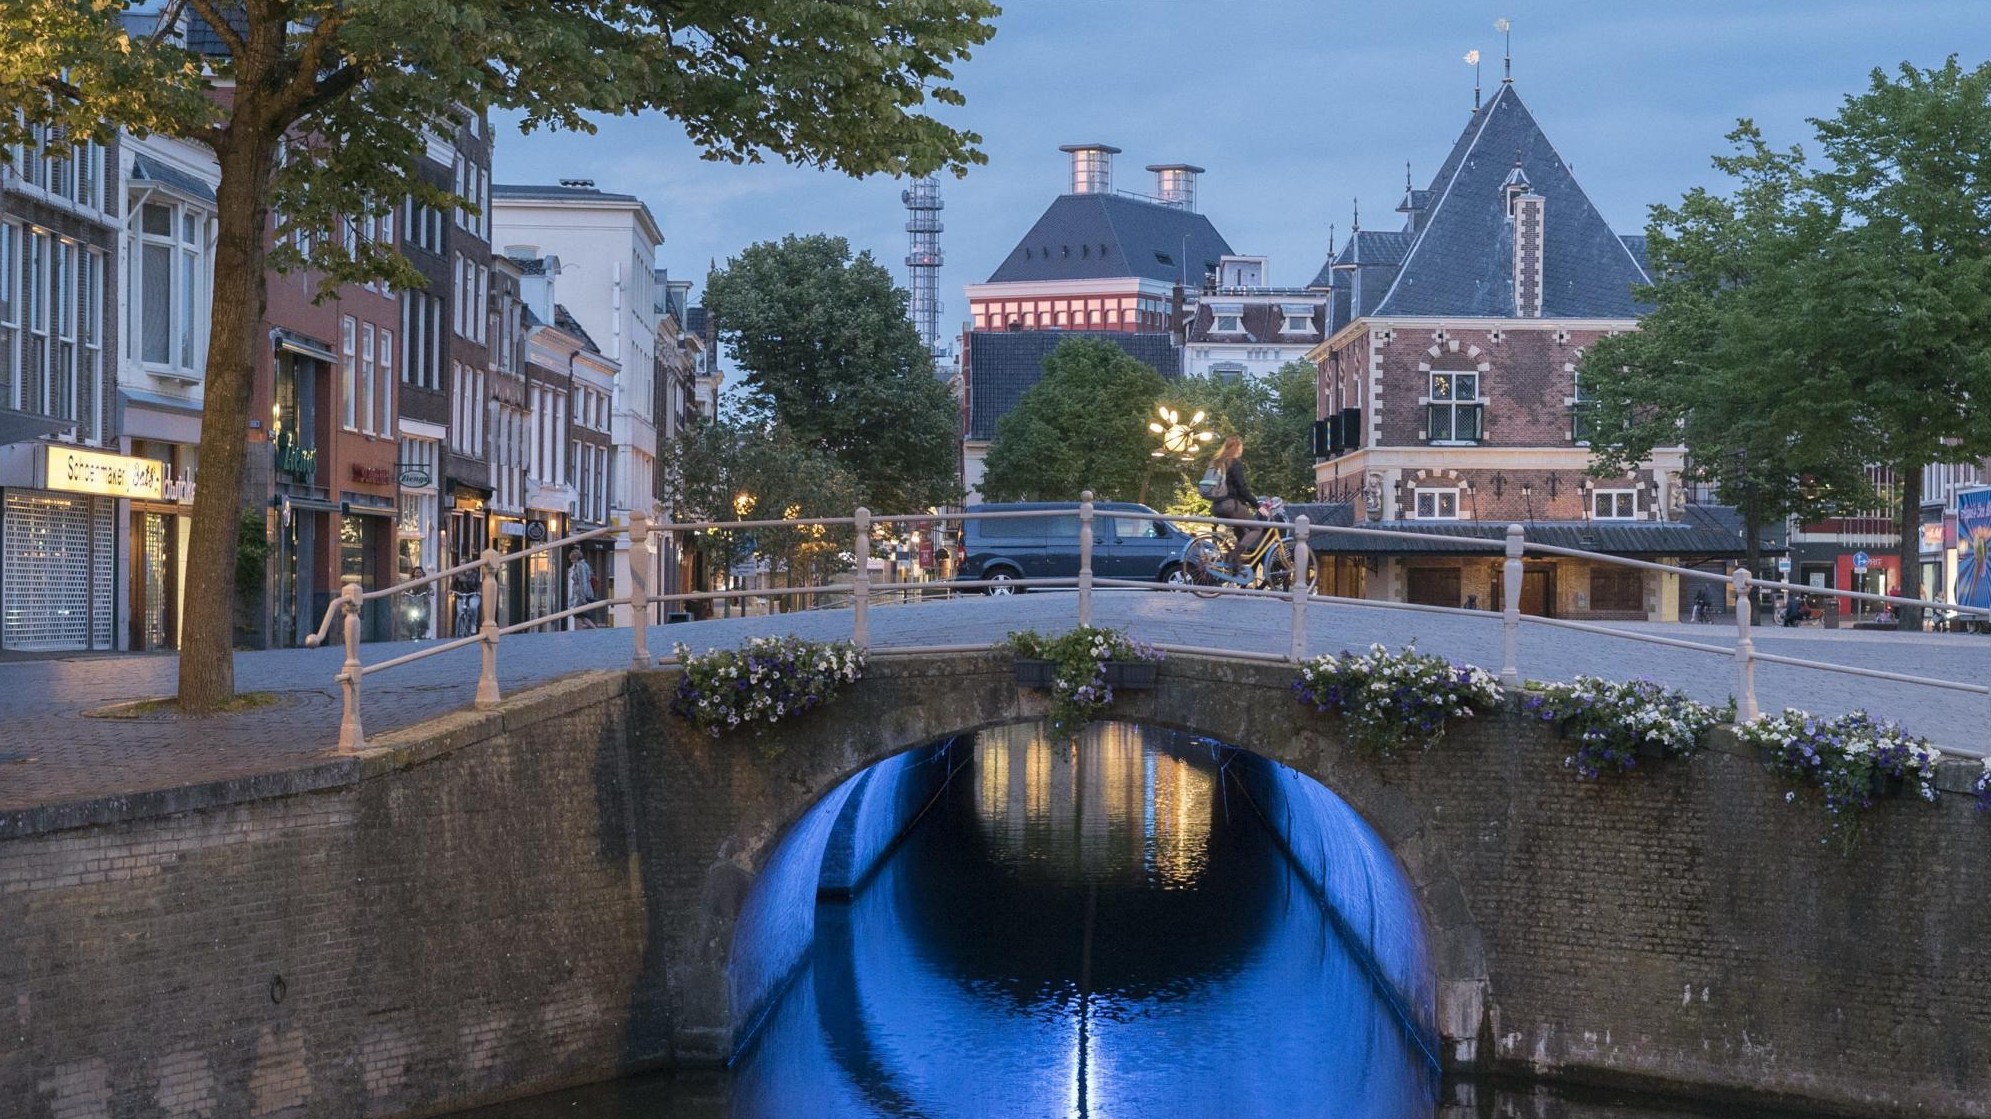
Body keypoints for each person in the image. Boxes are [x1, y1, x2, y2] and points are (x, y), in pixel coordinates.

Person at [1208, 435, 1263, 565]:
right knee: (1257, 528)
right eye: (1241, 446)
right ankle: (1233, 556)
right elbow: (1241, 488)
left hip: (1216, 506)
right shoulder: (1234, 462)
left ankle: (1236, 567)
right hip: (1230, 505)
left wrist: (1244, 503)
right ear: (1238, 448)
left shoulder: (1217, 462)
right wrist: (1257, 505)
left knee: (1242, 533)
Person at [567, 547, 597, 628]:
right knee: (579, 615)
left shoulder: (580, 566)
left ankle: (593, 628)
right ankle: (592, 629)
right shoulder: (585, 565)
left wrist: (583, 597)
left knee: (578, 614)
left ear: (575, 558)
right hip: (581, 594)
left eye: (572, 559)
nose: (571, 561)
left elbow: (582, 582)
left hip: (580, 595)